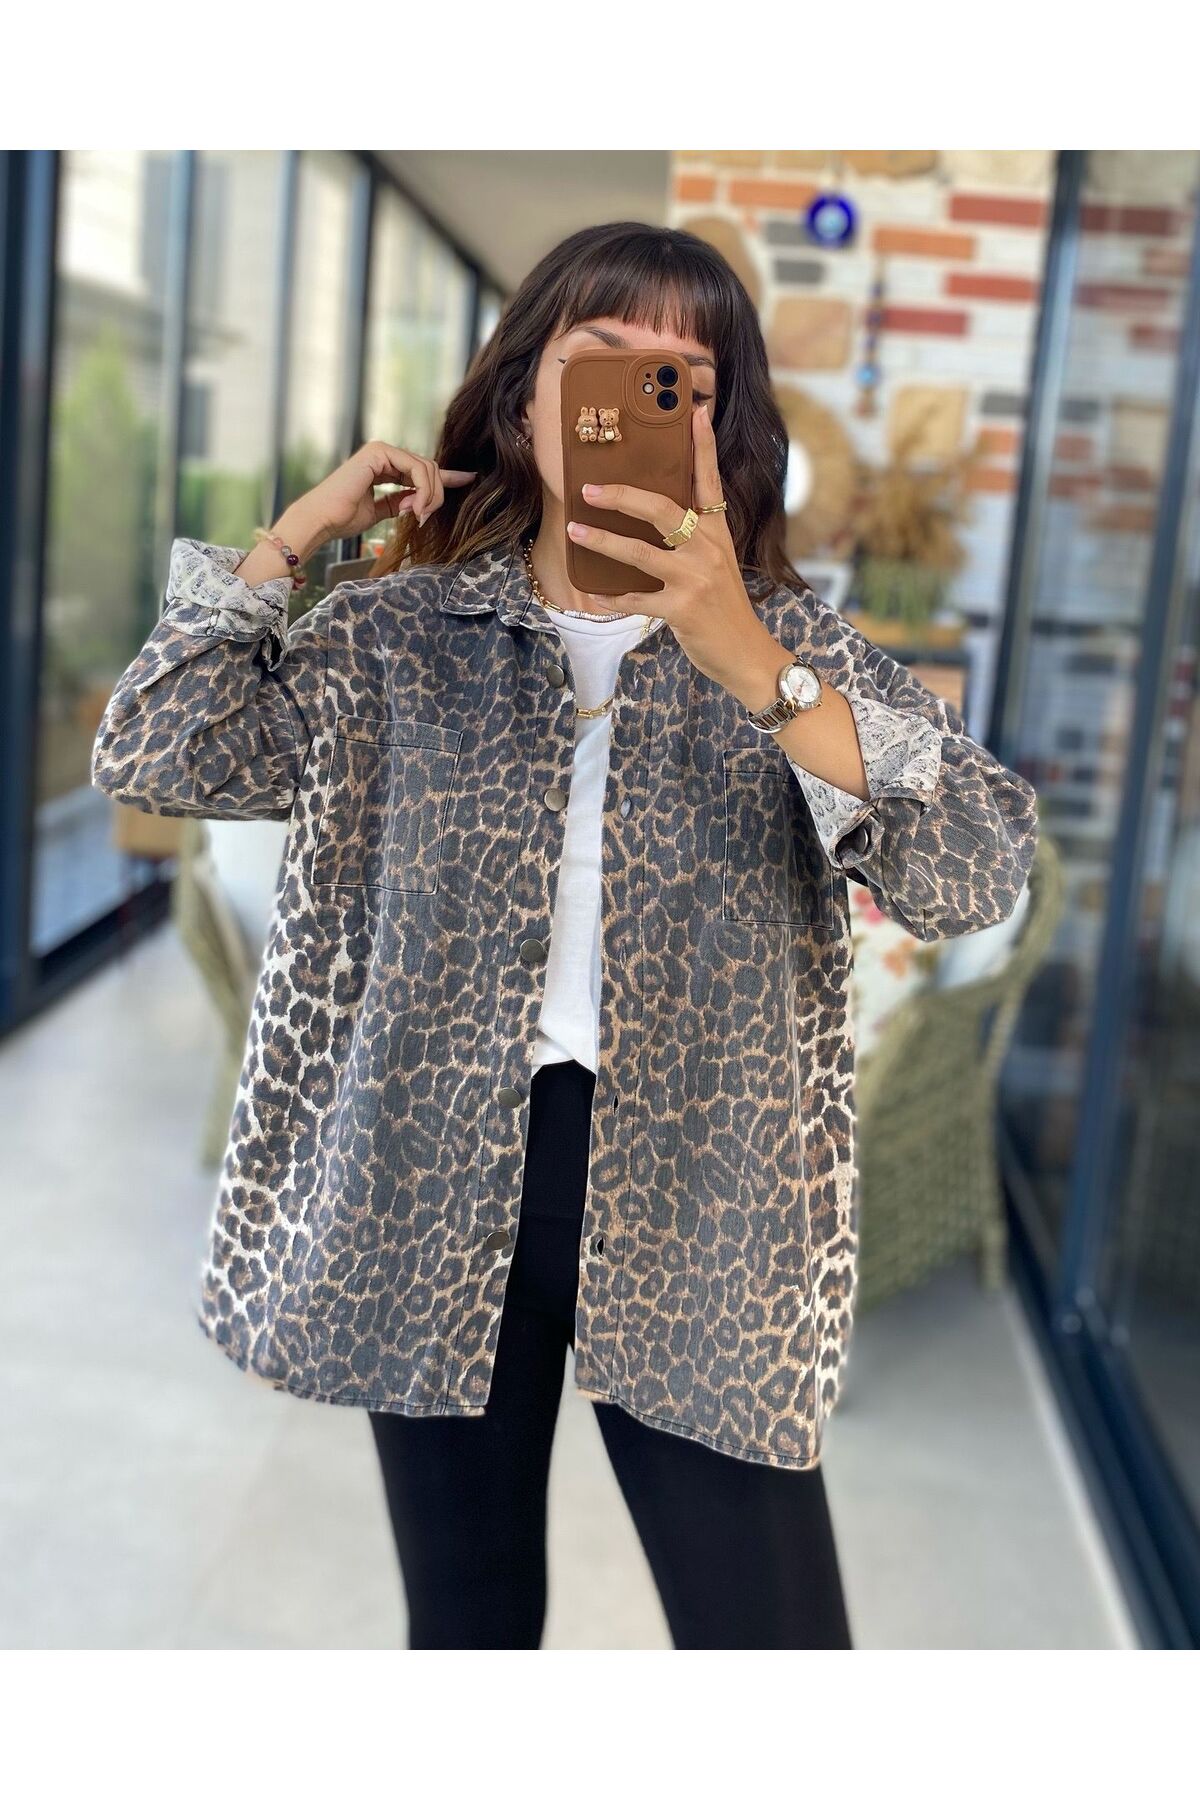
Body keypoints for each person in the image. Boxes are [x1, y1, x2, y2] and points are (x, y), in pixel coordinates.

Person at [91, 220, 1039, 1650]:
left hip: (709, 1198)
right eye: (606, 363)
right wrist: (293, 540)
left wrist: (754, 665)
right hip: (433, 1184)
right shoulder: (398, 637)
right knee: (469, 1628)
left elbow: (975, 870)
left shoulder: (796, 651)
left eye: (686, 381)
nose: (644, 398)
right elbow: (155, 747)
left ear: (721, 430)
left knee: (775, 1645)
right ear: (524, 395)